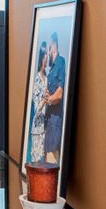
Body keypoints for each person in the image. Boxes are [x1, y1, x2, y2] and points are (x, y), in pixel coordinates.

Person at [42, 32, 66, 164]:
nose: (47, 54)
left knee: (53, 160)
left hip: (55, 120)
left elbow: (59, 94)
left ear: (53, 46)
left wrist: (49, 99)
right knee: (47, 159)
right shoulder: (51, 69)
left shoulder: (61, 62)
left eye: (48, 50)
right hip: (49, 119)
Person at [29, 42, 48, 163]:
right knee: (36, 166)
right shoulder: (36, 79)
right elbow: (36, 111)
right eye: (46, 53)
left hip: (46, 129)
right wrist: (45, 101)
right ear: (42, 57)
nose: (48, 55)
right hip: (37, 131)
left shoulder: (46, 76)